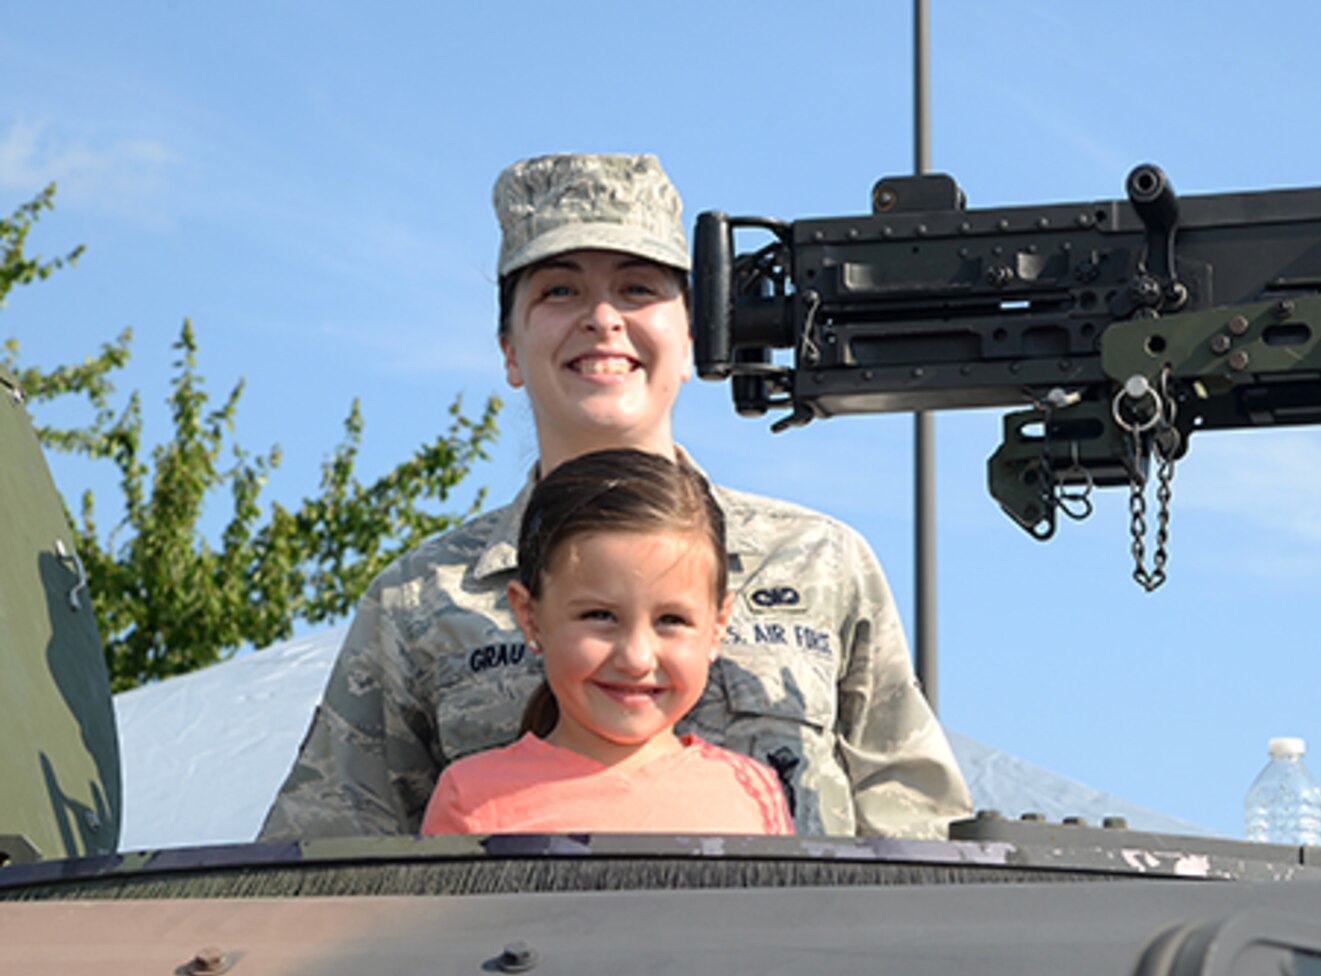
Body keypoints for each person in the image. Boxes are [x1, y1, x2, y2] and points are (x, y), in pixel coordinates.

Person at [260, 153, 970, 840]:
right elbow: (318, 868)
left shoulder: (821, 563)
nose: (602, 318)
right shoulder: (418, 603)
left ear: (692, 340)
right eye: (559, 290)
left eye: (637, 288)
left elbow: (925, 837)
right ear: (509, 348)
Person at [421, 448, 792, 836]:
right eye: (599, 616)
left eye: (671, 620)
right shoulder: (471, 797)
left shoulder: (751, 793)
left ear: (718, 624)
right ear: (530, 616)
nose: (636, 658)